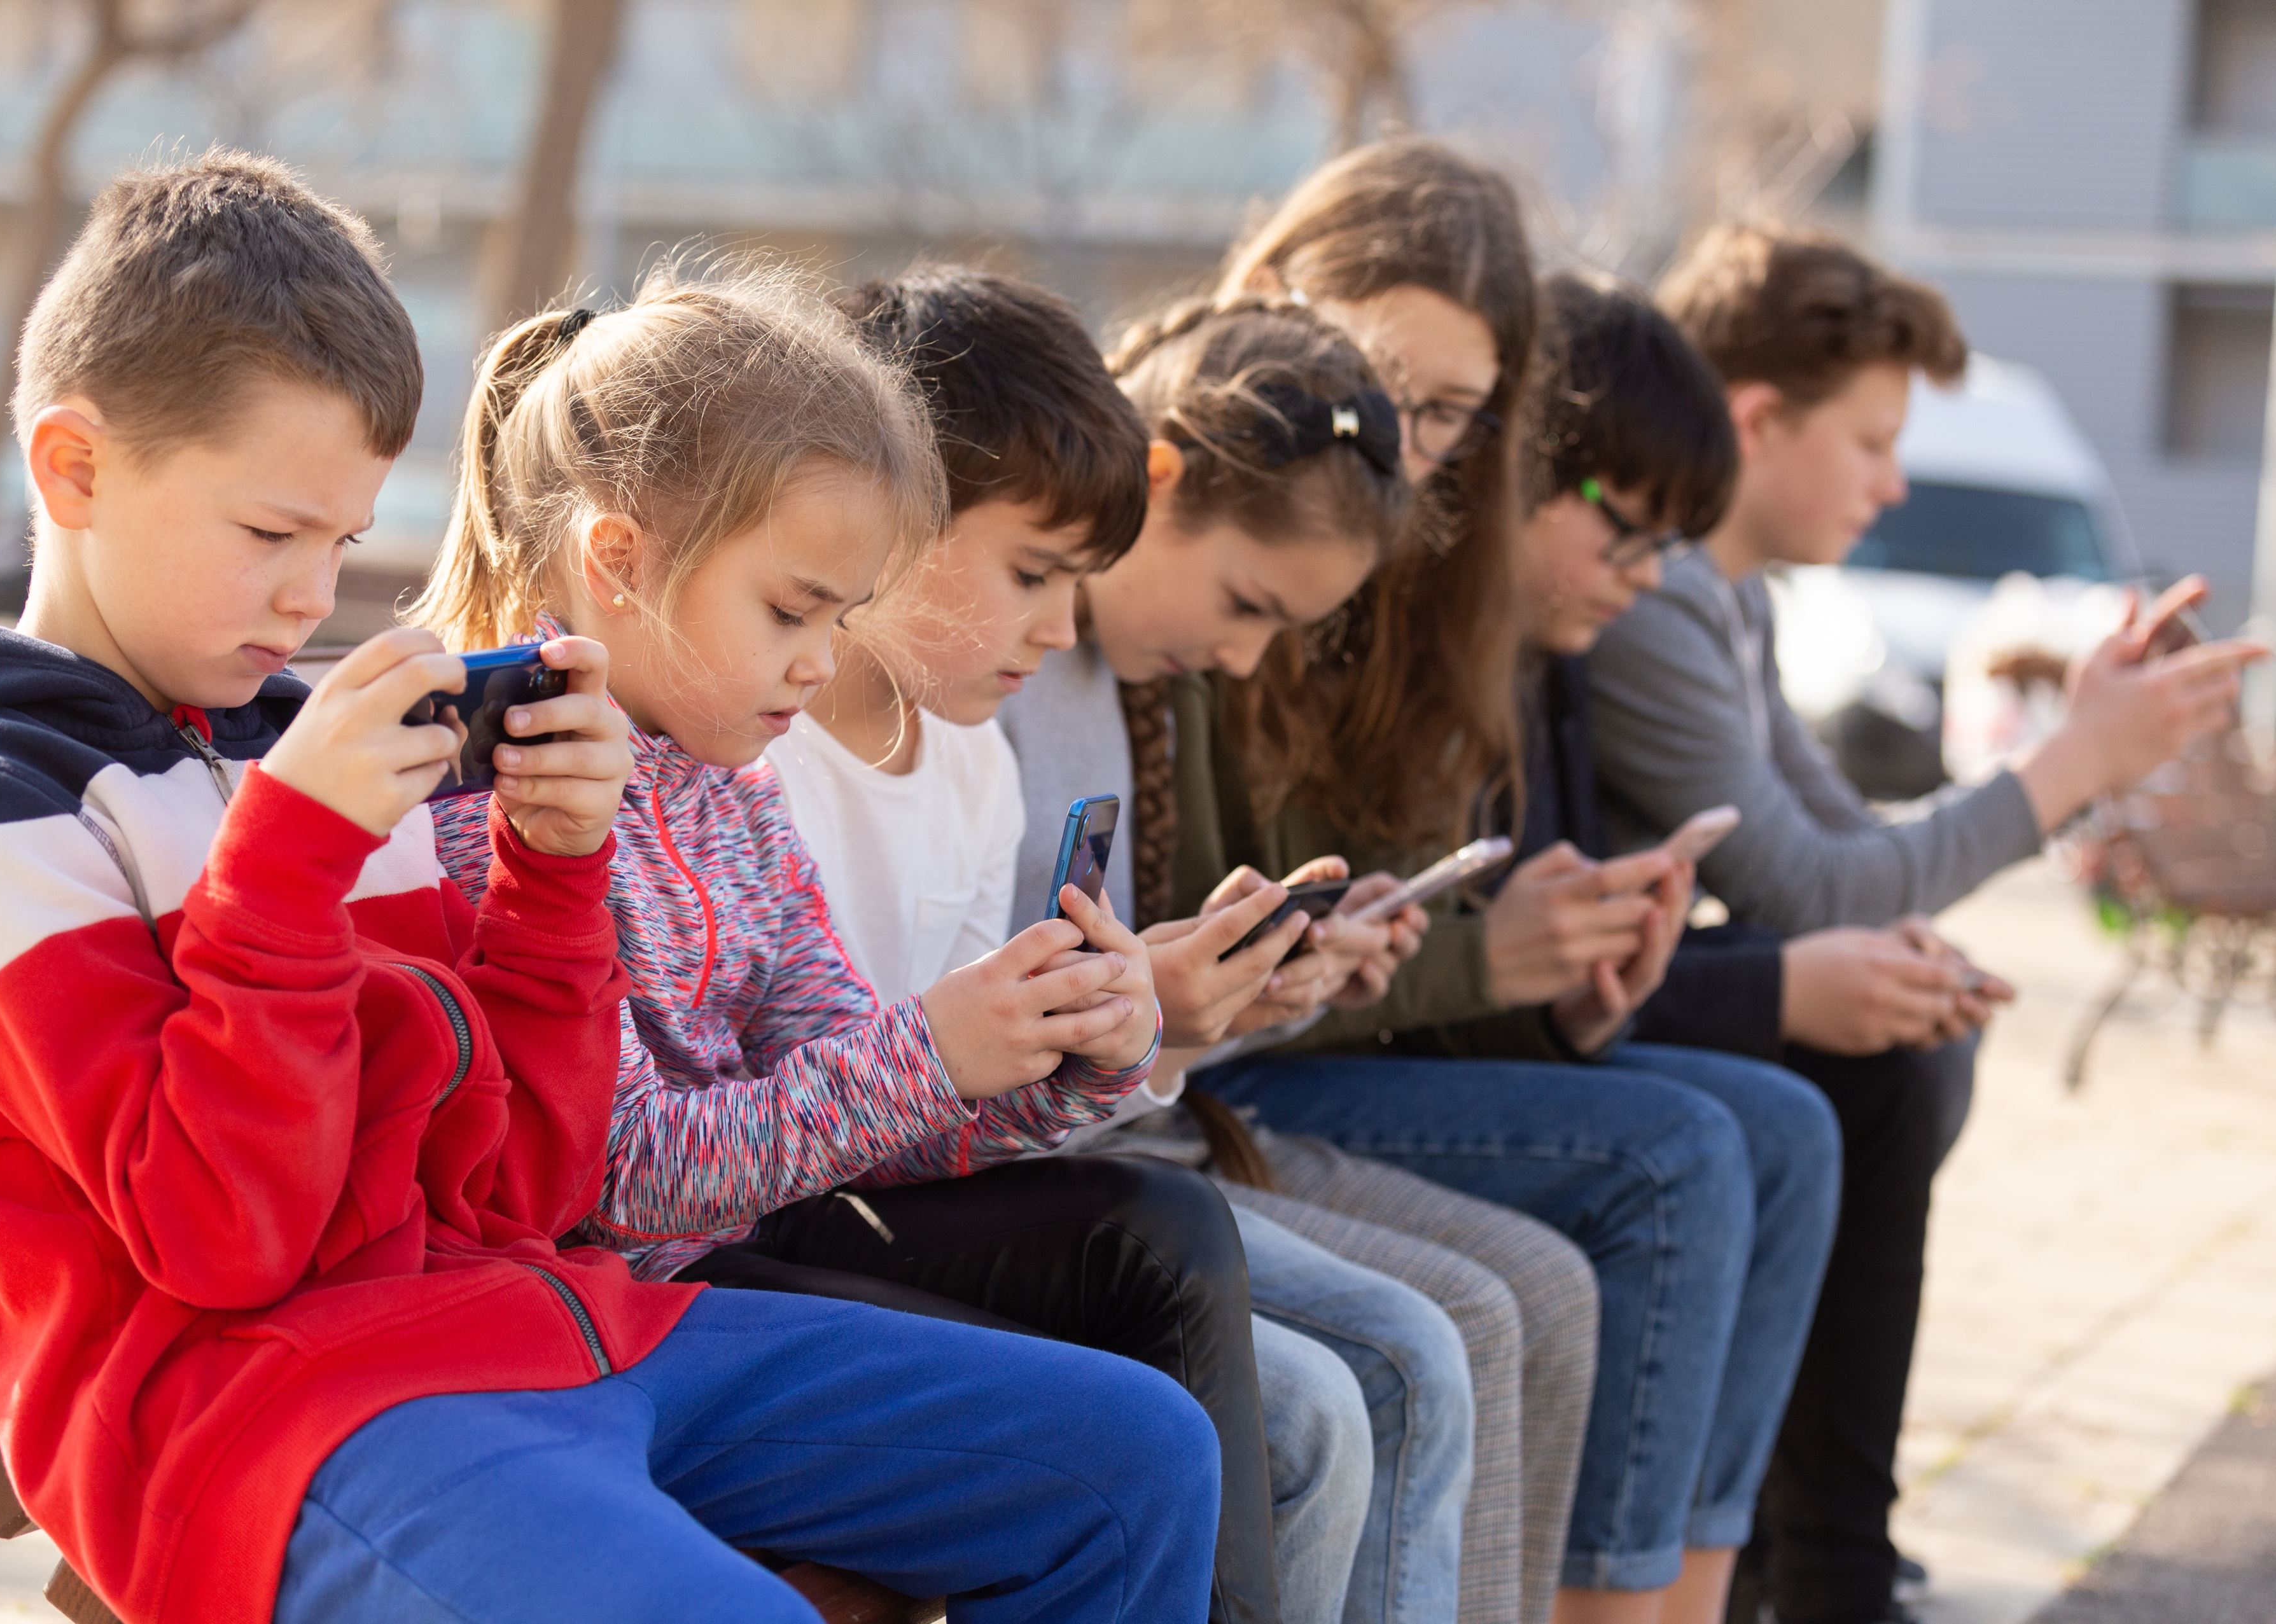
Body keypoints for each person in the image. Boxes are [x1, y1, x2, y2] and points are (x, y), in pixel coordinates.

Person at [0, 153, 1220, 1624]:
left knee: (1134, 1459)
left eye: (345, 541)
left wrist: (550, 881)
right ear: (74, 469)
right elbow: (219, 1241)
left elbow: (522, 1187)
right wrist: (290, 856)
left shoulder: (302, 737)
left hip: (547, 1327)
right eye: (269, 535)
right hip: (276, 1421)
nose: (314, 596)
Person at [410, 263, 1289, 1624]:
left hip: (714, 1273)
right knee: (1116, 1439)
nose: (822, 661)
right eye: (791, 610)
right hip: (597, 1304)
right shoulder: (498, 797)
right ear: (620, 560)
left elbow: (850, 1089)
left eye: (839, 617)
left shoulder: (726, 783)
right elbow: (619, 1178)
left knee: (1145, 1335)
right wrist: (930, 1048)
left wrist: (1062, 1055)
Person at [764, 263, 1482, 1624]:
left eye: (1071, 582)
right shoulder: (769, 751)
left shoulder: (968, 755)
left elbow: (974, 1110)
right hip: (791, 1223)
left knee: (1235, 1275)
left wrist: (1121, 1035)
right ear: (888, 513)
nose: (1060, 625)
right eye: (1035, 575)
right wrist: (1080, 1030)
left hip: (914, 1185)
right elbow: (793, 1112)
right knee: (1273, 1357)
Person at [1184, 147, 1843, 1624]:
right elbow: (1277, 954)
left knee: (1777, 1127)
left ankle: (1687, 1593)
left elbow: (1395, 938)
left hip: (1289, 1047)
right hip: (1229, 1081)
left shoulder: (1441, 577)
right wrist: (1489, 961)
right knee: (1680, 1156)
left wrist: (1565, 981)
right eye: (1393, 390)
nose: (1412, 446)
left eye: (1453, 417)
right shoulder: (1257, 548)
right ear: (1284, 294)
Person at [1582, 225, 2265, 1624]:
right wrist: (2073, 759)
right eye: (1875, 442)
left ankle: (1804, 1540)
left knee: (1904, 1014)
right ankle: (1822, 1564)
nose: (1894, 483)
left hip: (1624, 965)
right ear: (1759, 420)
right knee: (1880, 1049)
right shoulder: (1652, 606)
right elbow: (1805, 888)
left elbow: (1840, 848)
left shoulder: (1727, 598)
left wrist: (2053, 772)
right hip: (1562, 984)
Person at [995, 282, 1604, 1624]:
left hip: (1097, 1151)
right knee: (1386, 1370)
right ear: (1160, 481)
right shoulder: (1011, 658)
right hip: (1039, 1181)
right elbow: (998, 1038)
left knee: (1468, 1327)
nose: (1242, 651)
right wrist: (1177, 1010)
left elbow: (1122, 1036)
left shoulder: (1119, 679)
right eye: (1247, 602)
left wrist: (1254, 989)